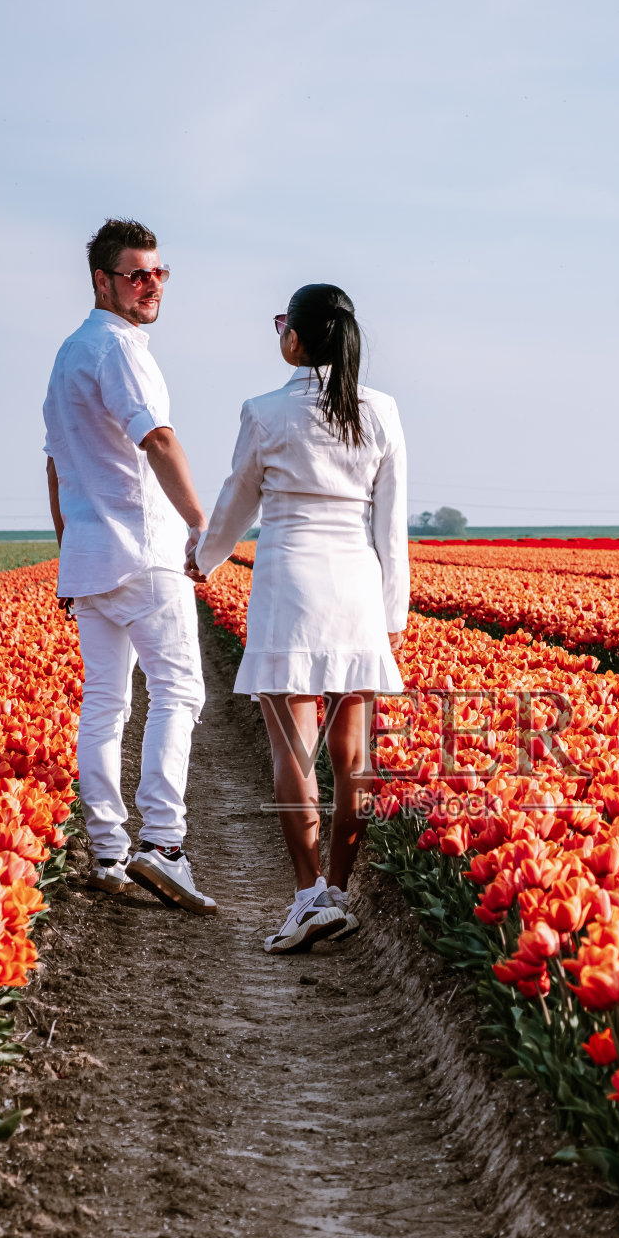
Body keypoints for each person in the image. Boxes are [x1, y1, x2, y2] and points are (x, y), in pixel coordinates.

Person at [192, 283, 408, 951]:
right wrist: (391, 612)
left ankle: (308, 893)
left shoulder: (264, 412)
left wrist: (204, 558)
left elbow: (236, 501)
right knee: (352, 757)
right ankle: (338, 892)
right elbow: (390, 520)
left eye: (282, 320)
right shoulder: (382, 410)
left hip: (289, 589)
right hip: (356, 591)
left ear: (296, 338)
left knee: (294, 750)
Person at [43, 217, 216, 915]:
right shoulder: (120, 348)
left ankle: (109, 850)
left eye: (158, 273)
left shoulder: (67, 354)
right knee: (179, 694)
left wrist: (69, 549)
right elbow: (159, 438)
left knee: (106, 705)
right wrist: (203, 525)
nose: (150, 286)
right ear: (102, 281)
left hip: (92, 556)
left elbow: (56, 466)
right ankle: (164, 846)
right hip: (145, 551)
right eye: (136, 274)